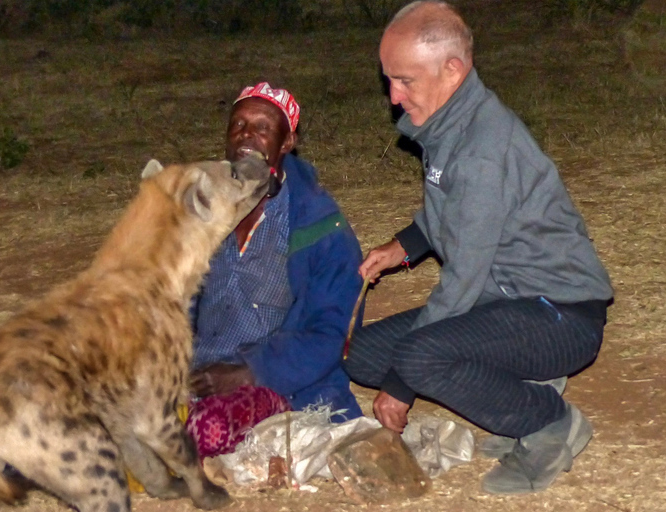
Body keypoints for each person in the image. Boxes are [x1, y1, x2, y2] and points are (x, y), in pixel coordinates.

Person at [343, 1, 614, 495]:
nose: (394, 97)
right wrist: (401, 246)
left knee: (417, 359)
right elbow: (449, 210)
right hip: (504, 298)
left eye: (404, 80)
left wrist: (401, 388)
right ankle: (521, 387)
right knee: (363, 356)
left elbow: (462, 279)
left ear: (453, 69)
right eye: (389, 80)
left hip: (560, 313)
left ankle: (549, 422)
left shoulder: (484, 149)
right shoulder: (450, 124)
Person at [186, 82, 365, 458]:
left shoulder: (320, 226)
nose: (246, 135)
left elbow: (333, 334)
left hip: (275, 383)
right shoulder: (202, 210)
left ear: (287, 142)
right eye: (238, 125)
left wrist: (250, 373)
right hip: (197, 373)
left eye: (262, 128)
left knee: (204, 431)